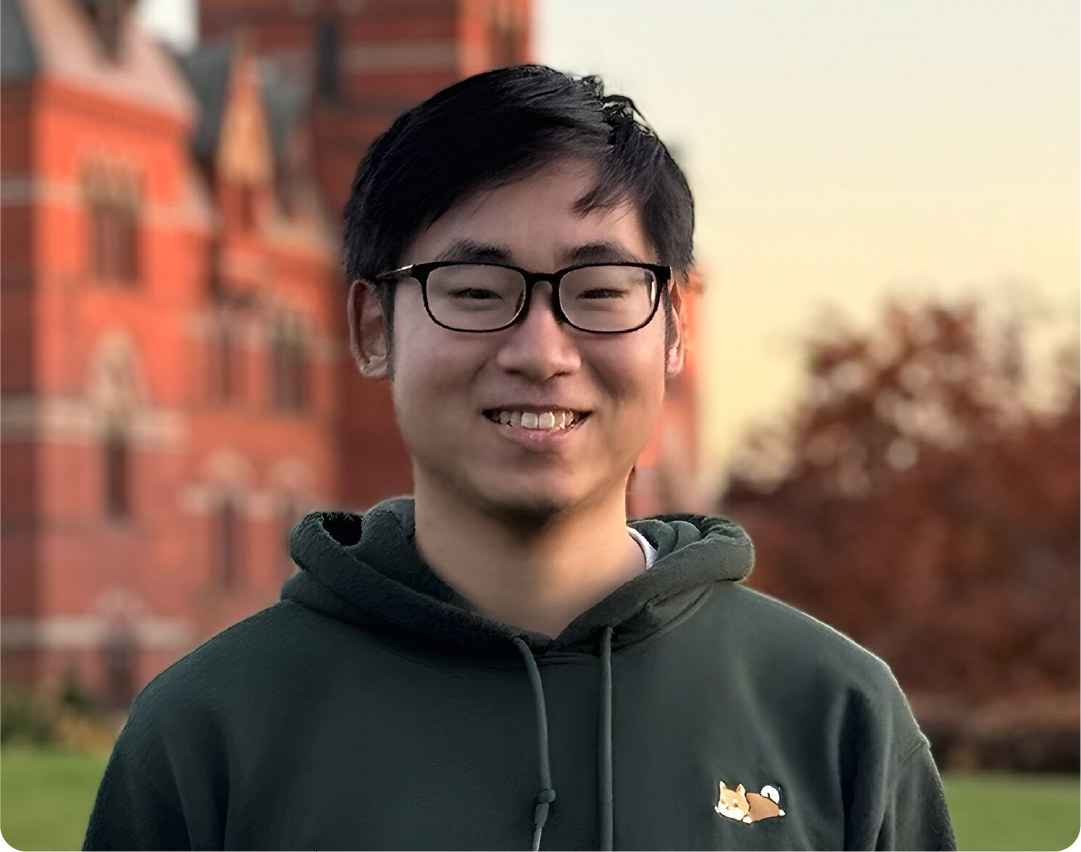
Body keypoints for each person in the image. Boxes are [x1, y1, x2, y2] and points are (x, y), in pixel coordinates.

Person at [82, 65, 957, 852]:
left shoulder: (835, 715)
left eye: (600, 292)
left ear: (674, 330)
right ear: (373, 328)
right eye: (474, 292)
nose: (541, 350)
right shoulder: (209, 730)